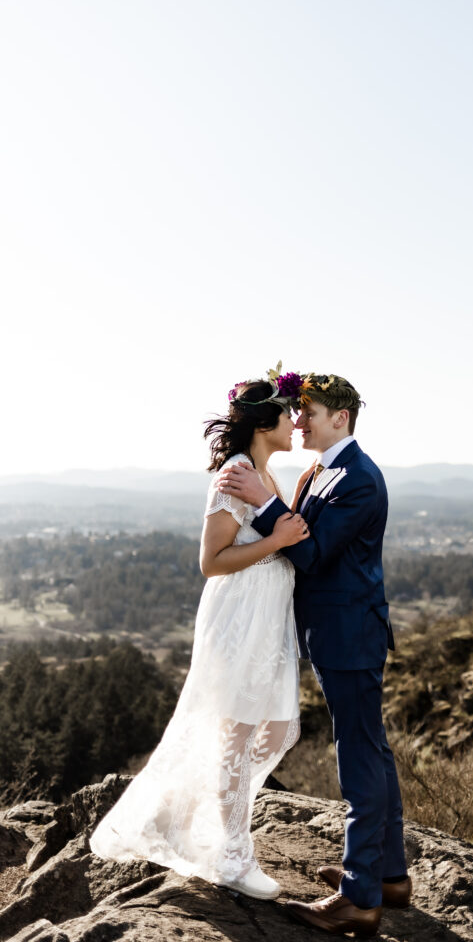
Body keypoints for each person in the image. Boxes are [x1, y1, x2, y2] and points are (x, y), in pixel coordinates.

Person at [89, 372, 309, 900]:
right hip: (239, 618)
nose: (295, 422)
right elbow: (212, 562)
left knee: (278, 730)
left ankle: (191, 808)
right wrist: (277, 539)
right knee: (238, 733)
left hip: (268, 620)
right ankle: (232, 855)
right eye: (288, 413)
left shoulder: (265, 472)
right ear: (263, 422)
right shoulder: (234, 475)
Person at [218, 372, 410, 937]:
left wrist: (262, 500)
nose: (299, 421)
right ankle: (390, 876)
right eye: (296, 413)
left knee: (358, 755)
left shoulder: (359, 480)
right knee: (371, 748)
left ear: (341, 419)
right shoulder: (320, 471)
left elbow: (316, 553)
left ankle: (359, 895)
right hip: (334, 633)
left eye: (310, 413)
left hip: (351, 635)